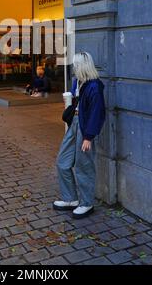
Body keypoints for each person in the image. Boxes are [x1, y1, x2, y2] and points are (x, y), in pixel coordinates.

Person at [53, 52, 105, 219]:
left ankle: (86, 203)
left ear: (83, 65)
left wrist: (89, 136)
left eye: (76, 64)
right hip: (74, 124)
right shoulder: (77, 82)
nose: (73, 67)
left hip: (84, 128)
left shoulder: (94, 86)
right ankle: (70, 199)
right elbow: (77, 104)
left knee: (84, 166)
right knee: (62, 162)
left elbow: (97, 113)